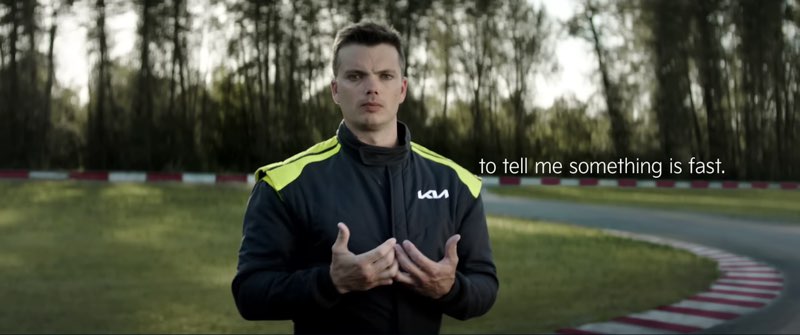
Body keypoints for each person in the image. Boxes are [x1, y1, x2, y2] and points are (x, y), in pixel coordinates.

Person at [231, 21, 498, 334]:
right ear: (335, 90)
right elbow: (249, 293)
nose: (372, 87)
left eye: (385, 76)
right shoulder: (286, 184)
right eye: (356, 76)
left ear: (402, 89)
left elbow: (485, 285)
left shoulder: (455, 182)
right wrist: (331, 282)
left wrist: (450, 288)